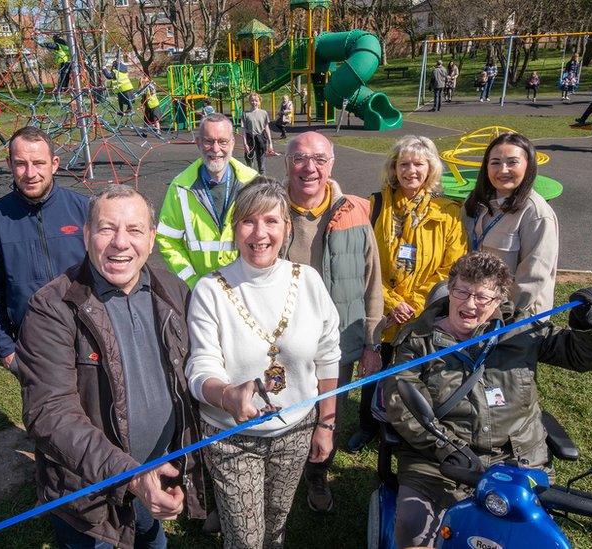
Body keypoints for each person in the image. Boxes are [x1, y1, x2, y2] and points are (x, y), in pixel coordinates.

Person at [18, 184, 206, 548]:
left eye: (135, 230)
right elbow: (49, 413)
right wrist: (131, 477)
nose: (121, 242)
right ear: (87, 235)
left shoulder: (172, 290)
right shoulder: (52, 308)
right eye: (107, 228)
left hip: (157, 476)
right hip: (89, 496)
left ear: (151, 239)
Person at [382, 251, 592, 548]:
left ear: (498, 301)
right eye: (461, 291)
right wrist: (445, 447)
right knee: (413, 528)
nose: (468, 303)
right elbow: (402, 403)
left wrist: (590, 325)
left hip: (518, 460)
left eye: (482, 297)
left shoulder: (521, 330)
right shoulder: (418, 340)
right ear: (449, 289)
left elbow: (581, 355)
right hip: (439, 461)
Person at [186, 178, 341, 548]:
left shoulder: (309, 281)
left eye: (271, 221)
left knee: (275, 528)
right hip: (231, 438)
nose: (260, 233)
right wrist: (227, 395)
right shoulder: (210, 289)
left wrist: (326, 424)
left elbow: (328, 355)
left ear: (287, 227)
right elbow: (200, 367)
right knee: (245, 540)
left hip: (295, 431)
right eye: (248, 221)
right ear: (235, 227)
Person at [281, 131, 383, 512]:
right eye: (300, 159)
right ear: (286, 163)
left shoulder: (354, 211)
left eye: (320, 159)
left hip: (338, 340)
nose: (310, 168)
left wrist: (372, 342)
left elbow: (374, 280)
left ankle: (318, 474)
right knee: (282, 409)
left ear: (332, 163)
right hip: (282, 340)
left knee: (329, 412)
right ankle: (281, 476)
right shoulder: (269, 210)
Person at [347, 135, 467, 453]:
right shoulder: (376, 205)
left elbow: (450, 270)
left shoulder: (450, 213)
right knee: (374, 368)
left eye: (418, 163)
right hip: (381, 308)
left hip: (424, 312)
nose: (410, 170)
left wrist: (413, 304)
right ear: (393, 168)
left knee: (415, 374)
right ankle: (367, 425)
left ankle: (407, 428)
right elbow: (364, 260)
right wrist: (390, 302)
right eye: (404, 164)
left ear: (430, 169)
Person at [0, 126, 88, 372]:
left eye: (38, 163)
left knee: (96, 408)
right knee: (42, 410)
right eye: (21, 164)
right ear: (9, 164)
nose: (30, 173)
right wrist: (6, 348)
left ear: (54, 164)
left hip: (87, 334)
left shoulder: (84, 210)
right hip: (32, 343)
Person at [156, 113, 260, 287]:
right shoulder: (180, 188)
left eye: (223, 141)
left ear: (233, 143)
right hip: (201, 290)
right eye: (208, 141)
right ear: (198, 143)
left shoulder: (253, 183)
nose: (216, 149)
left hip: (245, 287)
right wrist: (192, 282)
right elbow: (167, 240)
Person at [462, 132, 559, 314]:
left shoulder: (536, 213)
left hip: (515, 315)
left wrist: (502, 315)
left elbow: (532, 278)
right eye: (495, 162)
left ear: (528, 166)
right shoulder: (475, 203)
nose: (503, 170)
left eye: (512, 162)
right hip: (478, 306)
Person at [241, 92, 273, 174]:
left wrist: (270, 143)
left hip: (260, 138)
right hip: (250, 139)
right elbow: (244, 130)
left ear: (259, 101)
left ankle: (263, 183)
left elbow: (266, 128)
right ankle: (251, 182)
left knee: (261, 165)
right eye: (252, 101)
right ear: (249, 101)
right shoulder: (245, 114)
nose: (254, 102)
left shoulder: (264, 113)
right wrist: (245, 144)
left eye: (256, 101)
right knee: (249, 165)